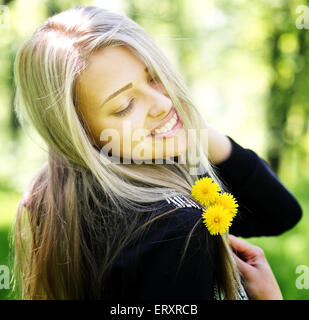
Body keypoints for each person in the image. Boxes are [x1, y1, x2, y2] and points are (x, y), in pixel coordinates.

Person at [12, 6, 302, 300]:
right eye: (125, 105)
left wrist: (197, 131)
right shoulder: (175, 229)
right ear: (82, 135)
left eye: (155, 76)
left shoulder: (74, 200)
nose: (162, 103)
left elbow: (279, 213)